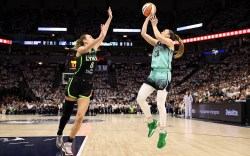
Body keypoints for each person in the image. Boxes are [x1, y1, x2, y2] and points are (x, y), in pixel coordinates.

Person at [56, 7, 113, 155]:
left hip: (87, 85)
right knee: (67, 114)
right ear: (84, 40)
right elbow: (99, 38)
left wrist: (109, 18)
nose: (92, 38)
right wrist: (101, 36)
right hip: (75, 83)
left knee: (80, 117)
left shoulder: (94, 48)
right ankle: (59, 133)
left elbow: (103, 34)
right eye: (90, 37)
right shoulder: (81, 50)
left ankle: (69, 143)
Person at [136, 15, 184, 149]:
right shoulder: (157, 43)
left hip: (164, 74)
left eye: (165, 32)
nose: (162, 32)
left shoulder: (170, 43)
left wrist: (155, 24)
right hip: (153, 73)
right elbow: (143, 33)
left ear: (169, 36)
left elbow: (157, 34)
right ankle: (151, 122)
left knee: (160, 104)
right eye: (162, 31)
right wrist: (147, 18)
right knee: (140, 98)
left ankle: (163, 132)